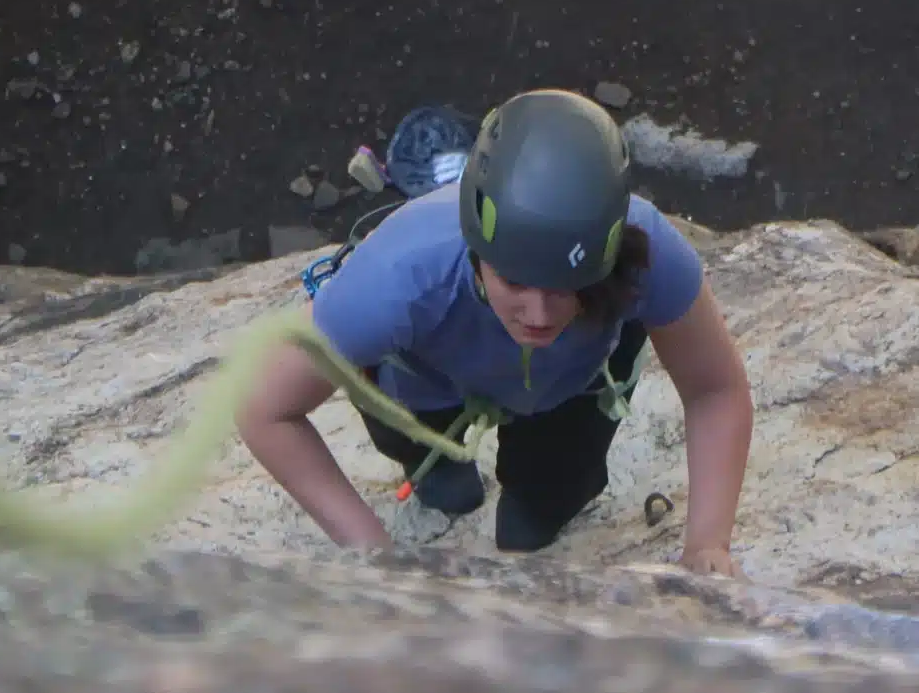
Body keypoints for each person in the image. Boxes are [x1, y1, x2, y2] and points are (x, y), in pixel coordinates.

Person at [238, 90, 753, 566]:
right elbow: (265, 409)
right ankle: (443, 479)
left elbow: (714, 389)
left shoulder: (647, 252)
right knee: (446, 490)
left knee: (534, 519)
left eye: (564, 286)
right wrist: (376, 554)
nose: (539, 314)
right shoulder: (399, 278)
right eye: (514, 281)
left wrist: (708, 546)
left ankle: (519, 502)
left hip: (569, 385)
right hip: (423, 382)